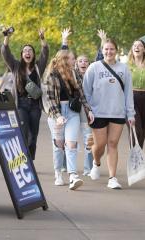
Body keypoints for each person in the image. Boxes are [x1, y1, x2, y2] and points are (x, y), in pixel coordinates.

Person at [83, 38, 135, 189]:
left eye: (112, 49)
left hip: (117, 112)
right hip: (98, 112)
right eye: (106, 49)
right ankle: (96, 162)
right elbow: (85, 91)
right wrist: (89, 110)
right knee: (100, 144)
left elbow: (128, 93)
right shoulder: (94, 67)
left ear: (116, 51)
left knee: (113, 144)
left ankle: (112, 178)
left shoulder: (124, 69)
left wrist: (130, 114)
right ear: (102, 50)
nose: (109, 52)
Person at [45, 49, 94, 190]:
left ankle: (73, 176)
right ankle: (58, 173)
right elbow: (50, 99)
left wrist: (89, 110)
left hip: (73, 113)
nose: (75, 61)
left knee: (71, 144)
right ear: (65, 60)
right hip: (57, 113)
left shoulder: (75, 74)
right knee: (58, 145)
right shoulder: (52, 76)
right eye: (73, 59)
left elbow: (82, 95)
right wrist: (58, 116)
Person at [1, 28, 49, 161]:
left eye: (30, 51)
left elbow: (45, 53)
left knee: (33, 136)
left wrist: (42, 38)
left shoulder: (39, 67)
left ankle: (30, 160)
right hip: (21, 104)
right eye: (25, 51)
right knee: (23, 132)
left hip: (35, 106)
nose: (27, 52)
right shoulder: (16, 66)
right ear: (22, 54)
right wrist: (7, 37)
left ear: (33, 54)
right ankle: (23, 159)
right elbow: (6, 53)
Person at [62, 28, 93, 176]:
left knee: (88, 138)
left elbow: (101, 60)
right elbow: (64, 58)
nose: (82, 63)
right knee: (68, 138)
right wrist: (64, 41)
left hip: (87, 109)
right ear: (75, 64)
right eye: (79, 60)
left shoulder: (92, 74)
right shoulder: (72, 73)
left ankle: (89, 168)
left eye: (85, 61)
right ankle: (64, 165)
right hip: (74, 108)